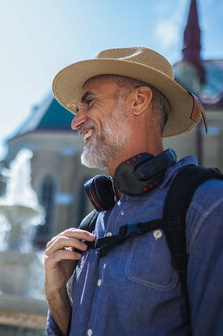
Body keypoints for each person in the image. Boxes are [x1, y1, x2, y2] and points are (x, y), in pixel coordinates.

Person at [43, 47, 223, 335]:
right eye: (78, 110)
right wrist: (57, 298)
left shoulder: (207, 207)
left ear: (138, 101)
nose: (76, 122)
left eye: (88, 103)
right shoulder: (93, 225)